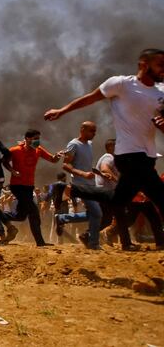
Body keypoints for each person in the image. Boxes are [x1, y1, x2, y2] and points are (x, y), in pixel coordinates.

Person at [45, 49, 164, 250]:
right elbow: (90, 98)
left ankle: (68, 188)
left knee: (117, 199)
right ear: (144, 64)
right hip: (129, 155)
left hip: (148, 156)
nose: (163, 69)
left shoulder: (161, 92)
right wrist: (62, 110)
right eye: (160, 64)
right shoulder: (121, 84)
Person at [4, 129, 63, 247]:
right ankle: (40, 242)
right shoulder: (15, 150)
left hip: (29, 186)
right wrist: (12, 170)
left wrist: (57, 156)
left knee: (20, 216)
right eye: (35, 138)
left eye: (38, 138)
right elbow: (4, 161)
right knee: (34, 211)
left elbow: (52, 159)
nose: (37, 141)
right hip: (17, 186)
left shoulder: (38, 150)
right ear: (27, 138)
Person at [53, 121, 103, 249]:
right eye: (91, 131)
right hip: (80, 184)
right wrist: (83, 174)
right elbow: (66, 165)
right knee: (97, 213)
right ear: (82, 130)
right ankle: (93, 243)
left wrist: (101, 174)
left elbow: (86, 166)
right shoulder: (74, 144)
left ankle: (62, 218)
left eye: (95, 131)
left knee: (94, 213)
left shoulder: (90, 145)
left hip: (91, 184)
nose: (94, 134)